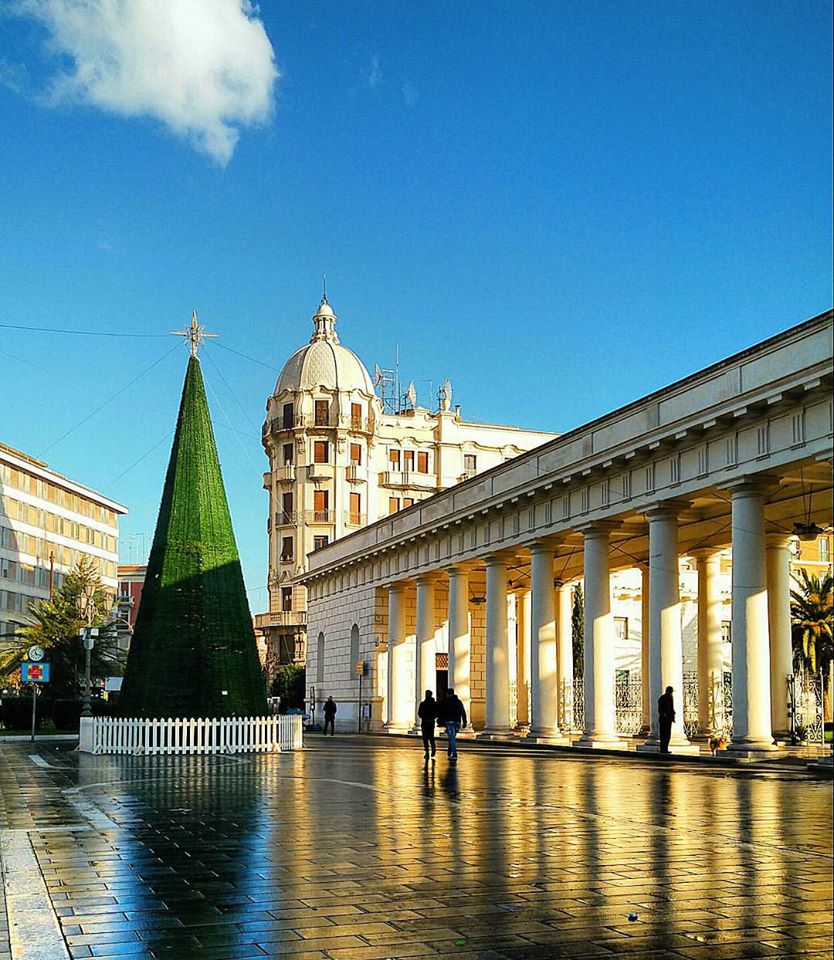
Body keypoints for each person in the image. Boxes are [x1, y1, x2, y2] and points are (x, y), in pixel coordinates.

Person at [437, 688, 467, 760]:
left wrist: (439, 721)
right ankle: (450, 749)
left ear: (447, 694)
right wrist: (464, 721)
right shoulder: (458, 702)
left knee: (452, 737)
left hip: (449, 721)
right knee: (452, 737)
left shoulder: (445, 702)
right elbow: (462, 711)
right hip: (457, 722)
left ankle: (454, 751)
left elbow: (441, 712)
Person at [418, 690, 439, 759]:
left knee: (425, 738)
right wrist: (433, 717)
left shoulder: (423, 704)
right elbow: (437, 712)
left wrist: (424, 717)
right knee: (431, 737)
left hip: (425, 722)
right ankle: (433, 748)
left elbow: (419, 713)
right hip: (431, 722)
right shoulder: (434, 703)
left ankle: (427, 752)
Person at [658, 685, 675, 754]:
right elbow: (661, 709)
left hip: (668, 719)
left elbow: (671, 708)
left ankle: (665, 748)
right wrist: (664, 715)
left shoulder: (669, 697)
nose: (671, 693)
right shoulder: (663, 698)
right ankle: (663, 749)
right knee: (664, 734)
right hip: (664, 719)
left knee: (667, 734)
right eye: (671, 691)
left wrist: (672, 717)